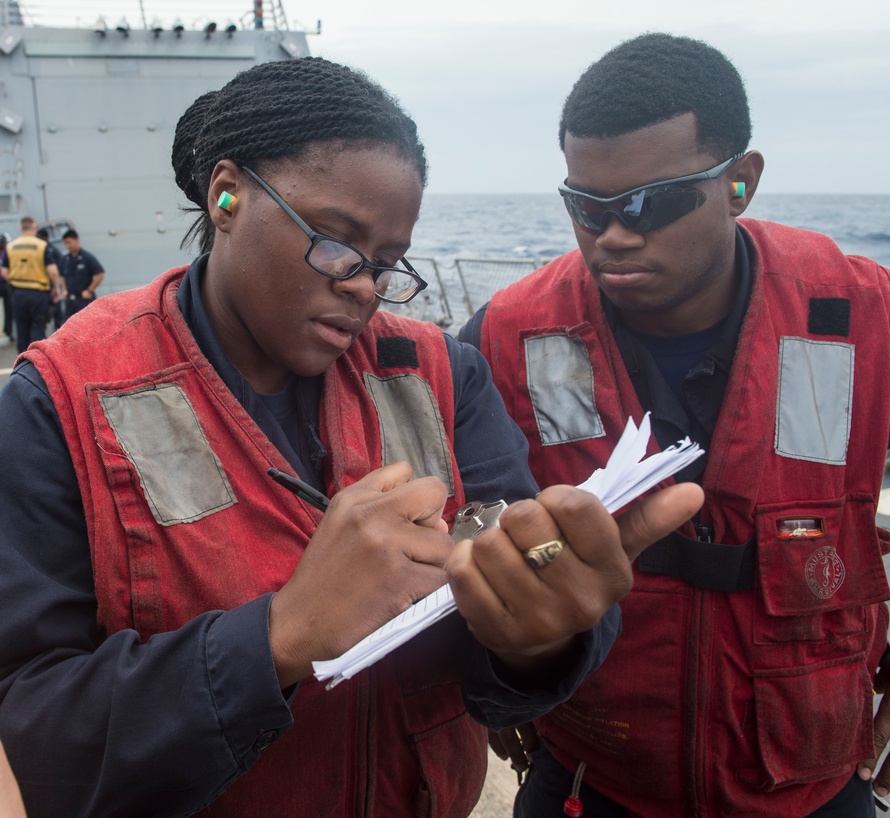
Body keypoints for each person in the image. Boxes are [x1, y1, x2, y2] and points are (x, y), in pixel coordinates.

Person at [0, 57, 702, 818]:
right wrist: (278, 635)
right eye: (336, 245)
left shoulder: (443, 376)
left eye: (388, 264)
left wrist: (540, 637)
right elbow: (26, 722)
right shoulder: (61, 400)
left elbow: (508, 645)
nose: (364, 286)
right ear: (226, 194)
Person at [459, 33, 890, 818]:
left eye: (652, 202)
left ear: (739, 182)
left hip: (809, 784)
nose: (613, 234)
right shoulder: (509, 335)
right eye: (588, 207)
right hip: (592, 777)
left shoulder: (863, 314)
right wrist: (504, 669)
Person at [0, 215, 60, 352]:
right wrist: (55, 289)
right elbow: (53, 272)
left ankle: (22, 364)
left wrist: (15, 282)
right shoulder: (42, 246)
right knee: (38, 328)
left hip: (18, 294)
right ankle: (37, 363)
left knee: (22, 330)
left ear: (20, 228)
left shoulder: (11, 246)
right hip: (38, 294)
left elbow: (4, 272)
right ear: (34, 227)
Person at [57, 228, 106, 319]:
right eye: (65, 243)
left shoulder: (87, 258)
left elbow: (100, 274)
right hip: (70, 301)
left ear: (76, 240)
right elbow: (62, 275)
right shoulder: (65, 259)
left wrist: (89, 290)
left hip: (83, 300)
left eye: (69, 242)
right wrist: (64, 290)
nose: (67, 246)